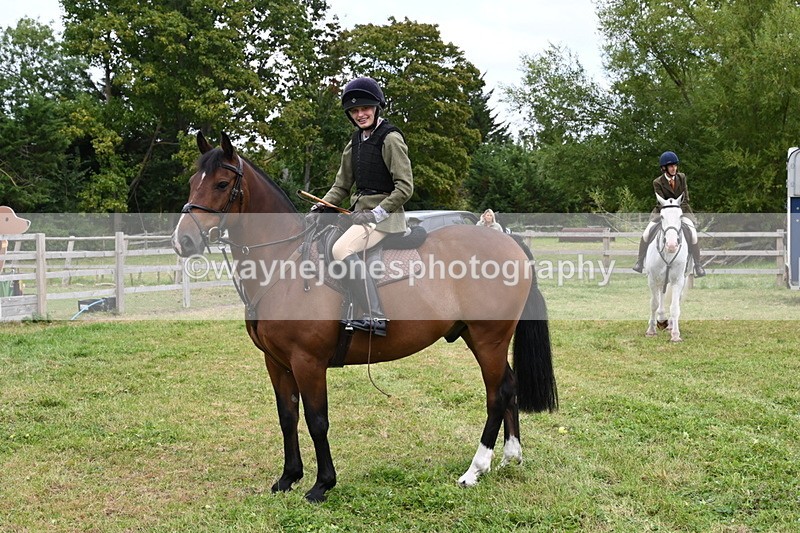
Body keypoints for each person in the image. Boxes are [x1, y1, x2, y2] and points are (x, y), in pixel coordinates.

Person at [309, 77, 413, 336]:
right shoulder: (353, 143)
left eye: (365, 108)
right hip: (359, 216)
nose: (360, 114)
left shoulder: (391, 139)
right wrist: (321, 206)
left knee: (341, 248)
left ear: (377, 108)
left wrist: (376, 213)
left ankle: (375, 316)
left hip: (385, 217)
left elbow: (405, 187)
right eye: (354, 111)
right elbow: (341, 187)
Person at [632, 151, 706, 277]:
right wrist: (670, 209)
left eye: (675, 165)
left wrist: (677, 210)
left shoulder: (681, 177)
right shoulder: (657, 182)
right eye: (671, 166)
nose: (674, 168)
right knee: (646, 233)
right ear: (664, 168)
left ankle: (698, 265)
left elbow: (685, 198)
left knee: (693, 235)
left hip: (682, 210)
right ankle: (640, 262)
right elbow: (660, 201)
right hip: (663, 211)